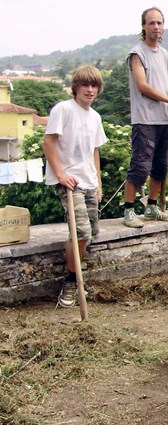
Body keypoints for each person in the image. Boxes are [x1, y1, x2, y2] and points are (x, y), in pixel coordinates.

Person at [43, 65, 108, 307]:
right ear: (76, 87)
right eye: (85, 85)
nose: (90, 90)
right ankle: (71, 283)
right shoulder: (63, 109)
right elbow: (48, 143)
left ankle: (77, 277)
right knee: (81, 232)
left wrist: (99, 183)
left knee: (89, 235)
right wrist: (61, 174)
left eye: (94, 86)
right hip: (70, 182)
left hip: (90, 181)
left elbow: (95, 152)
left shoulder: (95, 117)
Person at [122, 7, 168, 228]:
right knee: (140, 166)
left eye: (159, 23)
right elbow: (143, 86)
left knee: (161, 166)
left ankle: (151, 207)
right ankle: (129, 209)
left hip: (164, 120)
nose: (156, 27)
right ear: (143, 26)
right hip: (145, 120)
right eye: (151, 23)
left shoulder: (164, 54)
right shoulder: (137, 54)